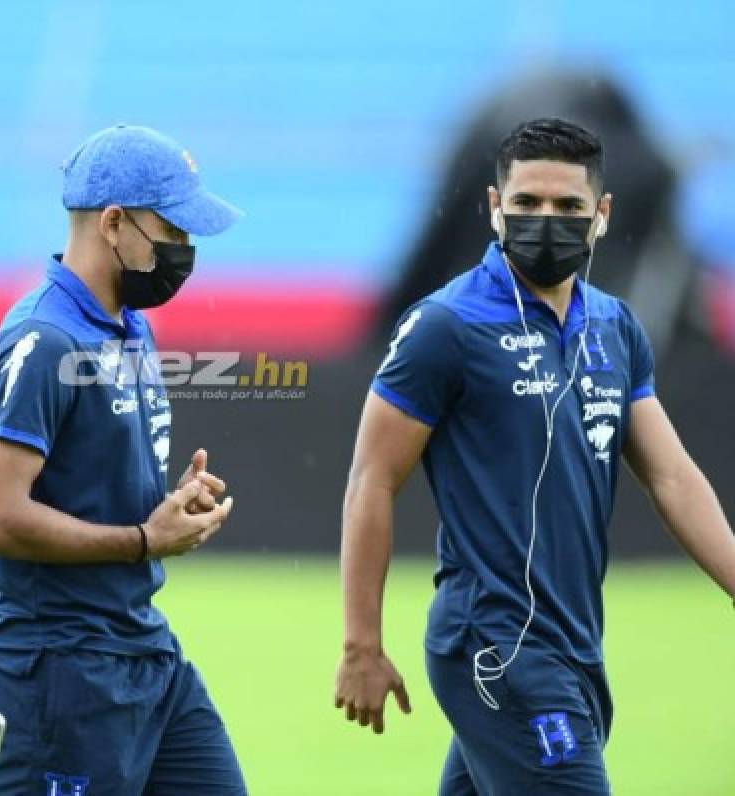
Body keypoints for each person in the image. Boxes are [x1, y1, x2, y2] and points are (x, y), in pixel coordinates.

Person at [334, 117, 735, 793]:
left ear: (601, 216)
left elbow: (670, 474)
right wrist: (361, 646)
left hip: (575, 642)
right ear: (495, 208)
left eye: (567, 207)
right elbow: (372, 480)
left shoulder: (615, 326)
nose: (545, 220)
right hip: (496, 644)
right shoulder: (446, 326)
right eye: (526, 204)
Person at [0, 124, 248, 795]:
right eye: (173, 232)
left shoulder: (129, 326)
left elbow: (89, 477)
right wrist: (146, 539)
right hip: (57, 676)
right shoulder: (42, 340)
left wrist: (169, 503)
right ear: (114, 223)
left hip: (143, 652)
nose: (186, 252)